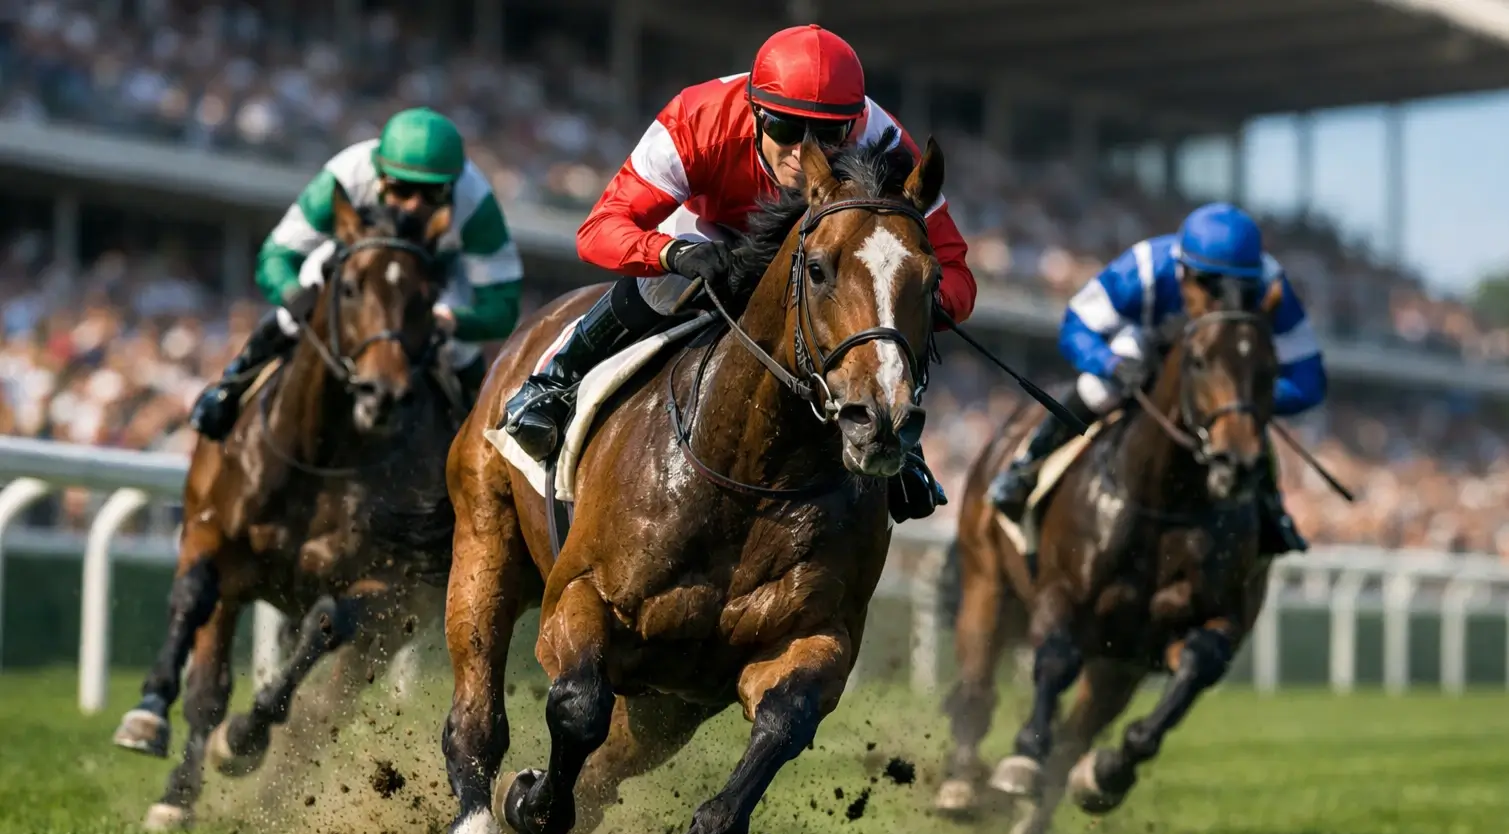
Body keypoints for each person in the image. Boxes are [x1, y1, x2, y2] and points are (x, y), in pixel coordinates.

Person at [499, 24, 978, 522]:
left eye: (829, 135)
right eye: (786, 130)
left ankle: (898, 442)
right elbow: (598, 230)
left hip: (820, 258)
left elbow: (955, 269)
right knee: (666, 284)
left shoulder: (886, 143)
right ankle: (557, 378)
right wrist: (669, 253)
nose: (803, 154)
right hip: (712, 233)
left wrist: (915, 296)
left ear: (854, 124)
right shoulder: (695, 118)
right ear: (754, 111)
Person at [986, 201, 1326, 555]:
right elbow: (1075, 325)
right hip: (1144, 343)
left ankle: (1273, 509)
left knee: (1243, 423)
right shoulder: (1145, 268)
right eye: (1211, 285)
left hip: (1217, 371)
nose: (1225, 299)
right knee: (1099, 389)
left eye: (1240, 287)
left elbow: (1308, 380)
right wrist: (1110, 363)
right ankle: (1025, 469)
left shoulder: (1273, 286)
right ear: (1183, 271)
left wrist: (1241, 400)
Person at [189, 107, 524, 439]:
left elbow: (503, 307)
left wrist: (453, 321)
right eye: (402, 189)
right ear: (378, 176)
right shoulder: (346, 175)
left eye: (433, 194)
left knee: (460, 348)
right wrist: (296, 296)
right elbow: (277, 256)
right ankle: (229, 390)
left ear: (454, 185)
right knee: (302, 292)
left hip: (433, 277)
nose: (414, 206)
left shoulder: (477, 203)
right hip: (357, 263)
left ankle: (478, 440)